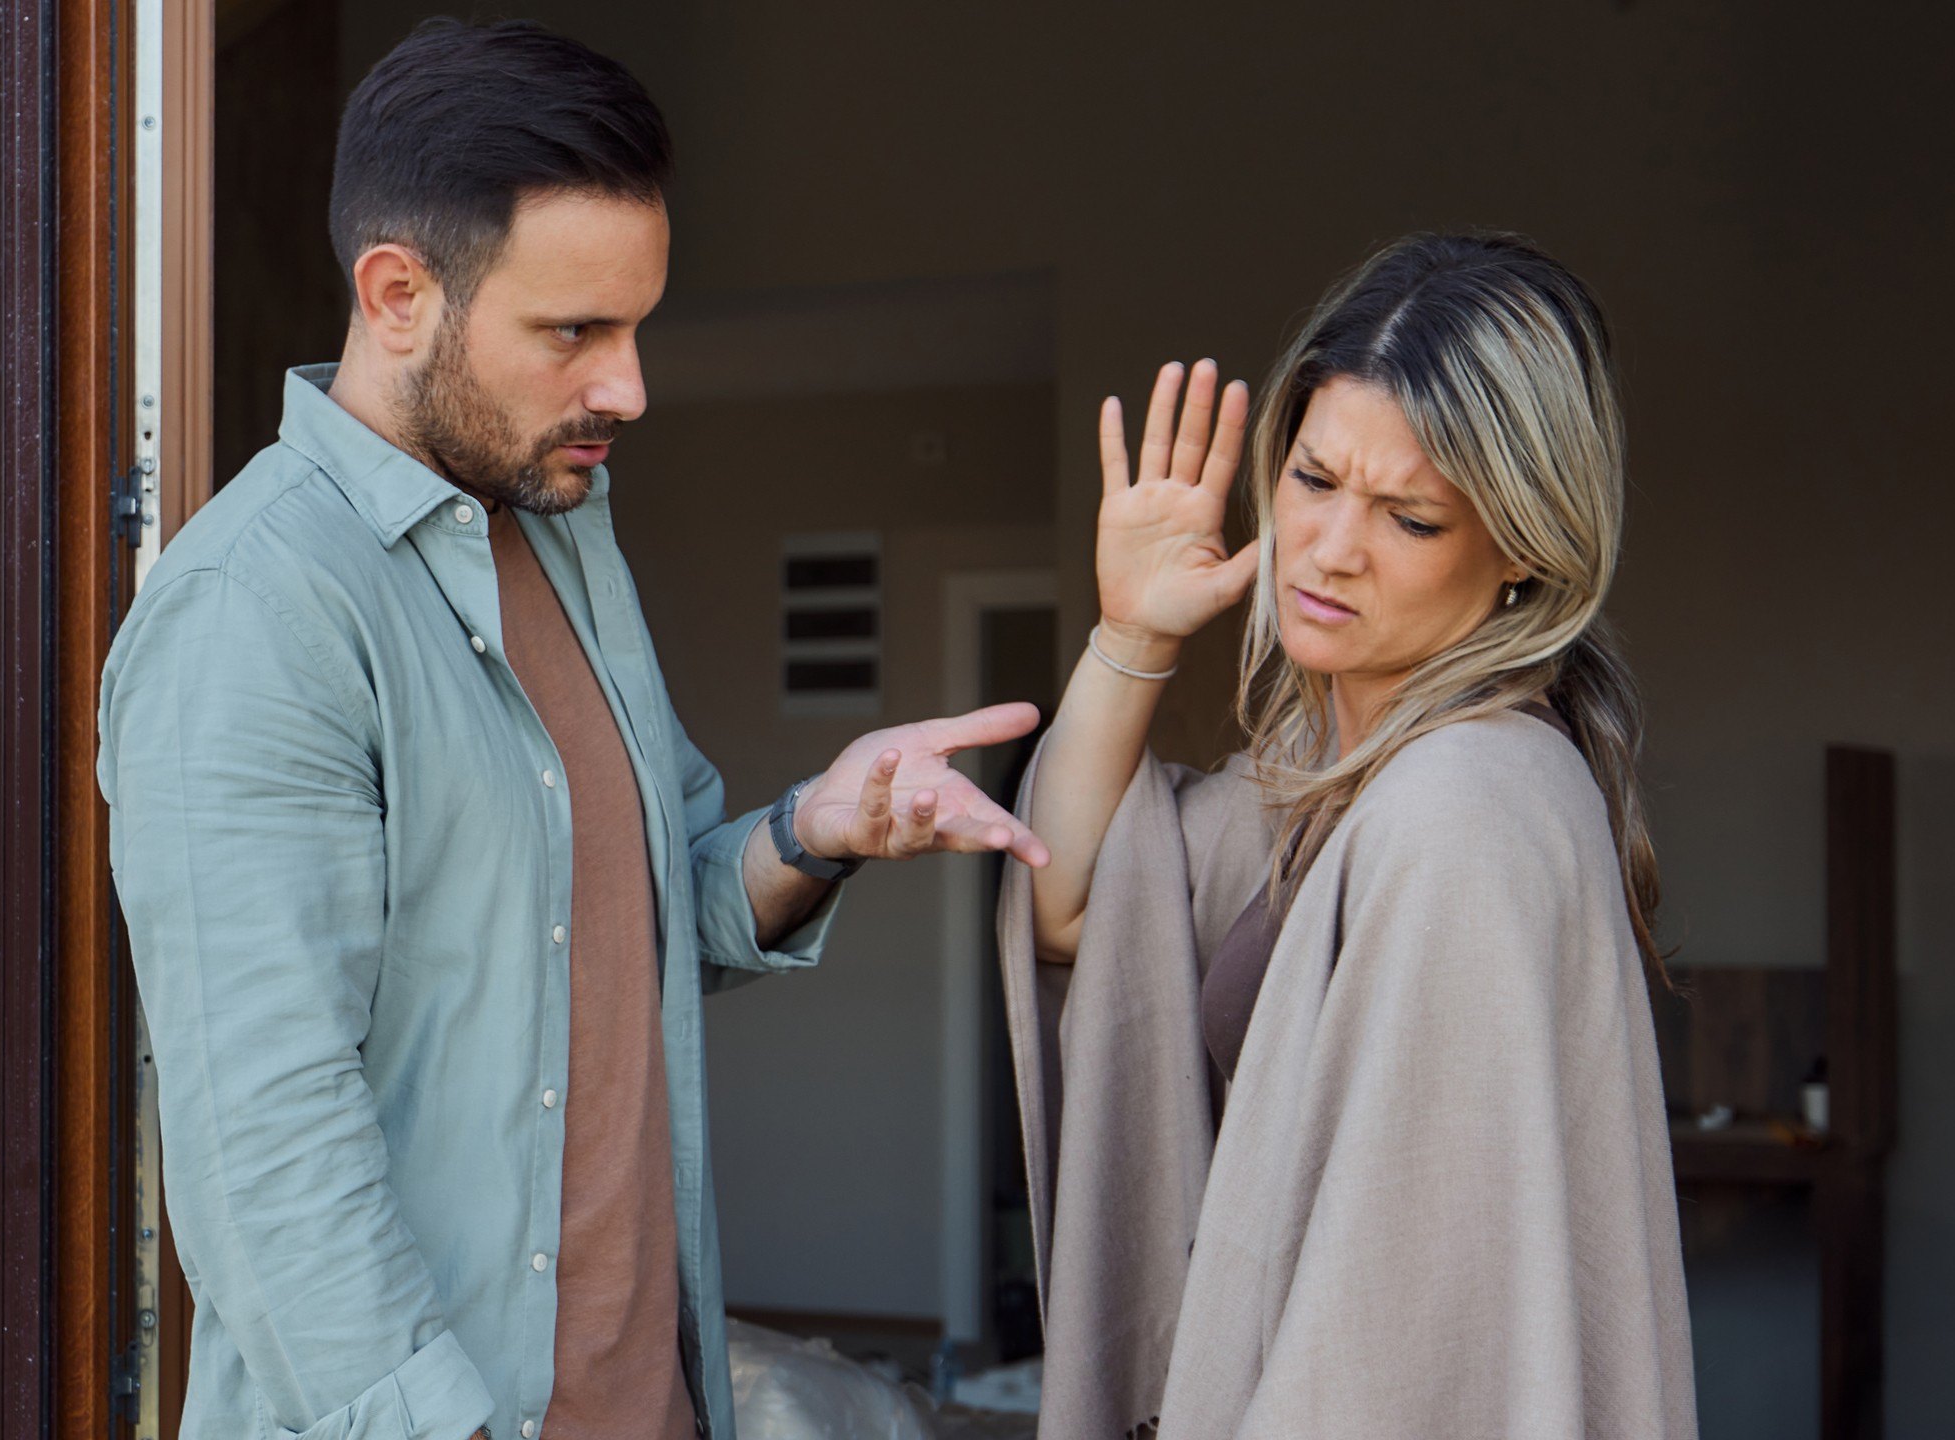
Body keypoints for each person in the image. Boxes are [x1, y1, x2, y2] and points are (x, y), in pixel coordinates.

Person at [96, 20, 1047, 1440]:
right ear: (398, 295)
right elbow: (264, 1156)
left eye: (635, 326)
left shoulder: (563, 542)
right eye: (575, 333)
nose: (629, 387)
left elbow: (630, 931)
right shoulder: (257, 611)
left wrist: (815, 829)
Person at [1000, 232, 1696, 1438]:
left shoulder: (1461, 810)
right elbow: (1076, 902)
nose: (1330, 549)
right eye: (1313, 479)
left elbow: (1399, 1341)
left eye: (1409, 519)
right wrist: (1134, 637)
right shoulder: (1343, 780)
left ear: (1523, 548)